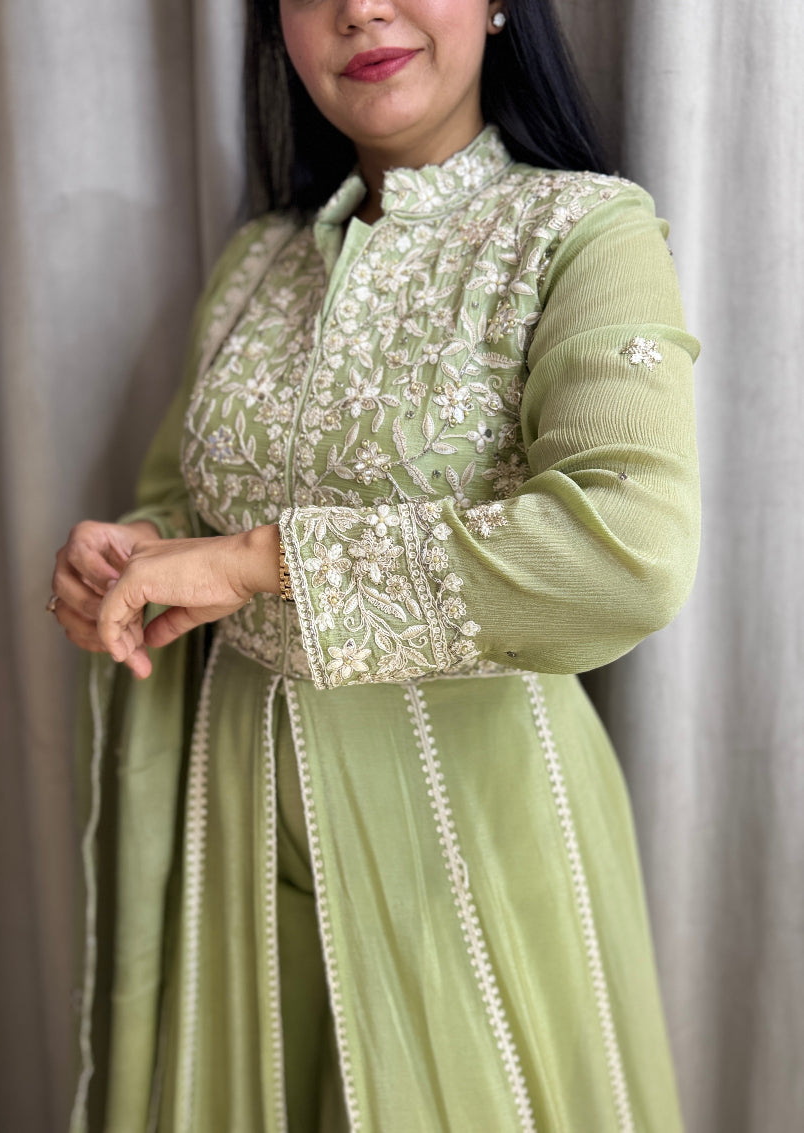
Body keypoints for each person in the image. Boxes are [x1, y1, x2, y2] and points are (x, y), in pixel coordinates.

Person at [52, 1, 700, 1130]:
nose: (360, 8)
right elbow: (184, 499)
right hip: (240, 825)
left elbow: (627, 549)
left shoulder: (581, 232)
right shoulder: (257, 263)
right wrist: (135, 552)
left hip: (468, 833)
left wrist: (258, 563)